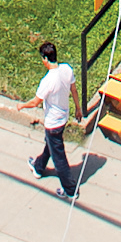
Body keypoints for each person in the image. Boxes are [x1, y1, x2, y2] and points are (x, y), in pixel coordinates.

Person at [29, 38, 81, 196]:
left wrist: (21, 106)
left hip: (52, 123)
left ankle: (70, 189)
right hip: (63, 118)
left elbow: (35, 102)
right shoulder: (66, 69)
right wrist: (78, 109)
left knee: (59, 158)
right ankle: (38, 168)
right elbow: (74, 90)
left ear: (45, 59)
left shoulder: (48, 80)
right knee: (51, 145)